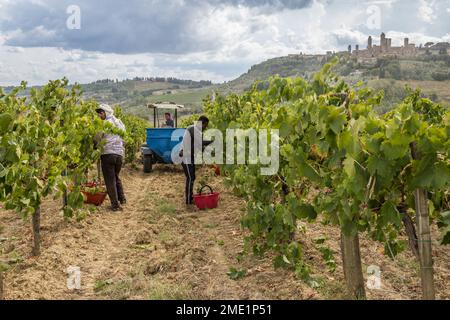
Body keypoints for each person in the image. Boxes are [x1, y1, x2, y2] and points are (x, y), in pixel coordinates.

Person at [95, 104, 127, 212]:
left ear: (105, 112)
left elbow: (97, 138)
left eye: (101, 113)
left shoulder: (103, 124)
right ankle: (122, 199)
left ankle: (115, 205)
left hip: (108, 154)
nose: (99, 115)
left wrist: (95, 147)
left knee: (110, 180)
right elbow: (124, 138)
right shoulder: (119, 122)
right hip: (119, 155)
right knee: (116, 176)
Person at [180, 116, 212, 206]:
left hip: (190, 156)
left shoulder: (196, 131)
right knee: (190, 178)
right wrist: (213, 141)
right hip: (186, 156)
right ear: (202, 123)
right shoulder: (193, 129)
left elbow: (200, 146)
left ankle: (190, 198)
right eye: (206, 125)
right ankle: (189, 201)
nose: (206, 128)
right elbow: (200, 143)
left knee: (192, 177)